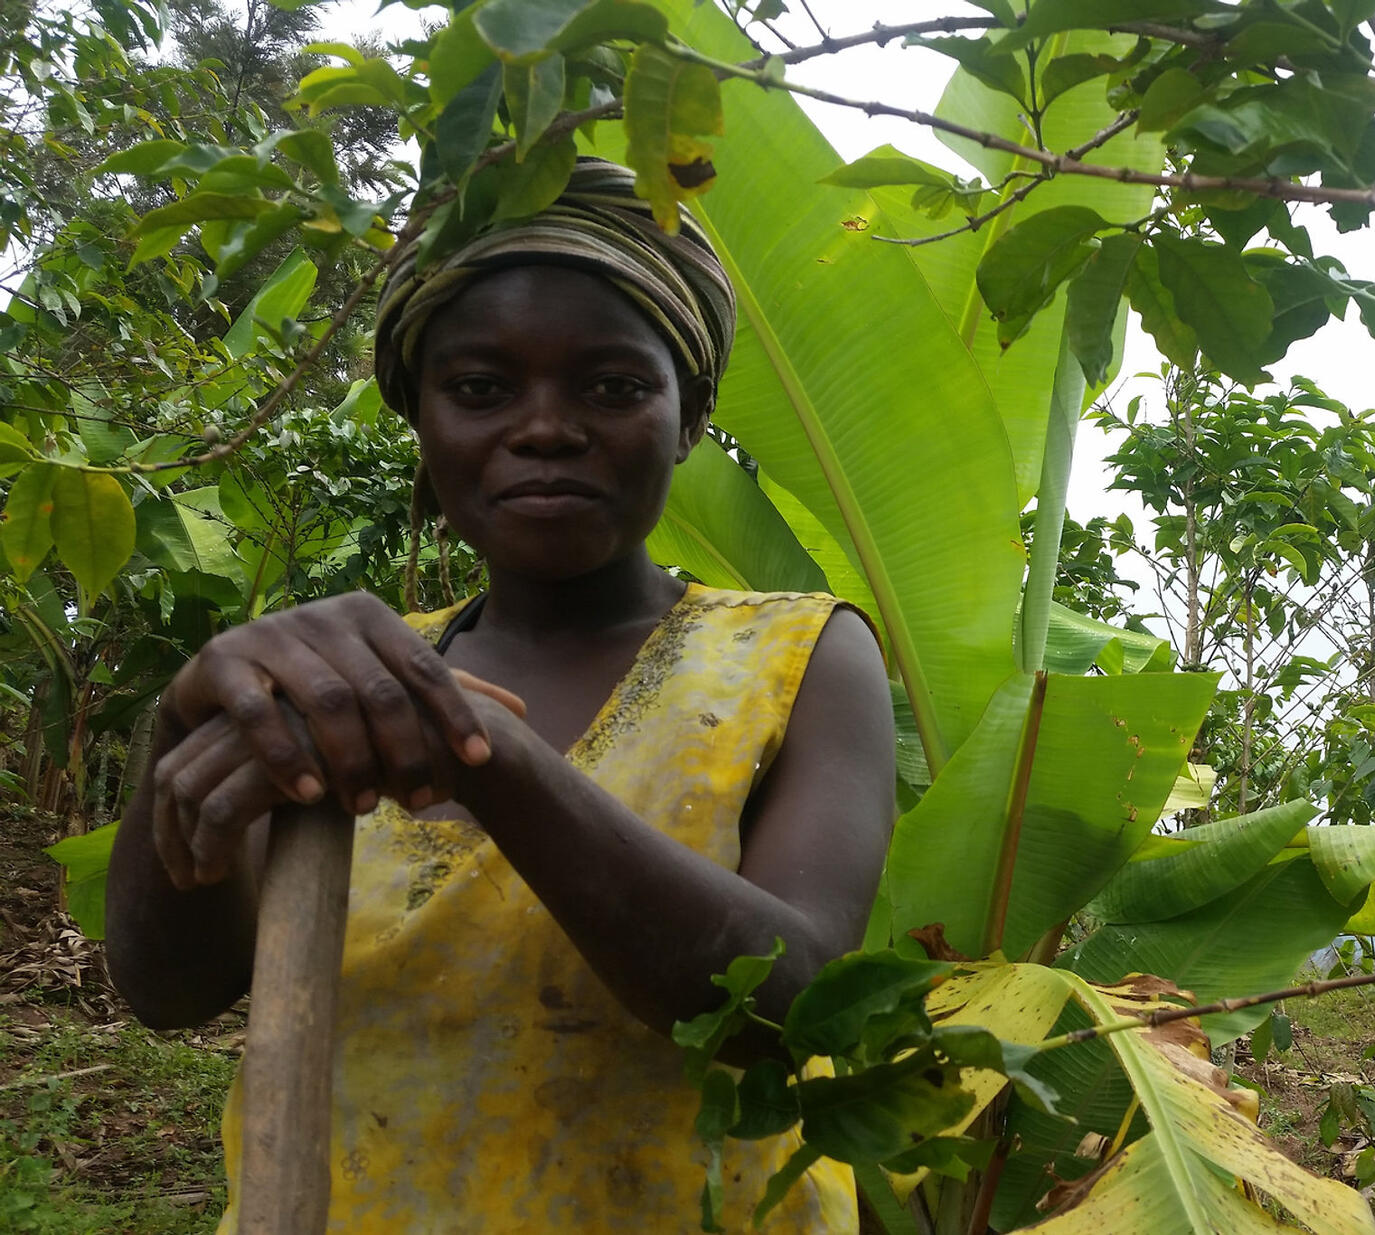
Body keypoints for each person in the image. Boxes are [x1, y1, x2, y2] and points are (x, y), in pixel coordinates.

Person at [105, 157, 896, 1233]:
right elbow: (169, 989)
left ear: (691, 416)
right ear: (420, 418)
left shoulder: (797, 654)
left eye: (612, 387)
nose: (544, 428)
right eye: (480, 389)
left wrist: (494, 758)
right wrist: (180, 727)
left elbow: (795, 1002)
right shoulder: (338, 689)